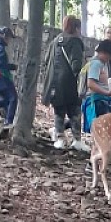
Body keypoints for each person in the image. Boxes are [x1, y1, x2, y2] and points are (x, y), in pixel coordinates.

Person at [42, 16, 88, 151]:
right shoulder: (75, 41)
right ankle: (77, 140)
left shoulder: (56, 40)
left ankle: (60, 138)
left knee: (59, 110)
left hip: (54, 83)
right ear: (77, 28)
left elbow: (46, 60)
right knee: (74, 111)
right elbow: (76, 65)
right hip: (69, 83)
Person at [82, 39, 111, 133]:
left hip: (101, 100)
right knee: (102, 129)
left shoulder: (100, 64)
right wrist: (107, 92)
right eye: (109, 55)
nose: (109, 58)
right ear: (103, 52)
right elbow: (91, 84)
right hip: (97, 101)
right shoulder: (96, 64)